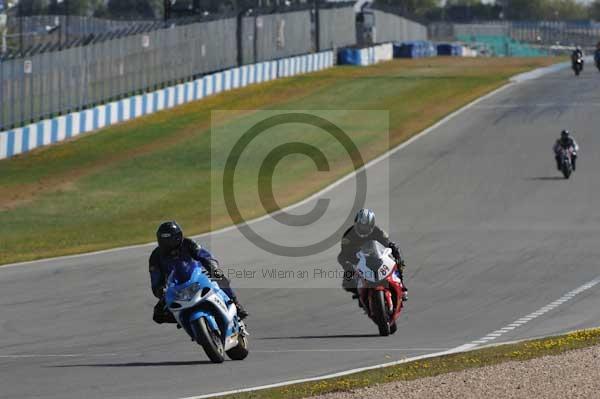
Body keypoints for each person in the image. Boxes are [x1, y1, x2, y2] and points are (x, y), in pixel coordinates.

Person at [149, 221, 248, 324]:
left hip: (198, 276)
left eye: (170, 240)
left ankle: (235, 303)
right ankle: (184, 321)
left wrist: (212, 267)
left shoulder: (188, 243)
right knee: (158, 315)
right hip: (176, 286)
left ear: (178, 237)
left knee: (219, 276)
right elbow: (155, 278)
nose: (167, 243)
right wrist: (160, 290)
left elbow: (205, 256)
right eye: (164, 240)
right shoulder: (156, 256)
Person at [337, 209, 408, 301]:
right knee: (347, 283)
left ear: (371, 226)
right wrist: (348, 265)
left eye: (366, 227)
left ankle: (402, 286)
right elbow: (343, 254)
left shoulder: (378, 231)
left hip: (377, 256)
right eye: (361, 226)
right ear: (356, 224)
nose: (363, 229)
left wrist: (393, 251)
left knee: (396, 250)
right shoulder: (348, 235)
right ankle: (359, 293)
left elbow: (388, 244)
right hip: (358, 259)